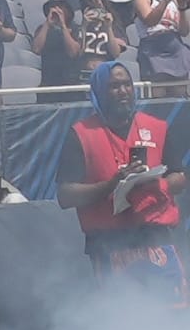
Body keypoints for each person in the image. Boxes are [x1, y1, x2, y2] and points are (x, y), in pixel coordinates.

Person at [57, 61, 190, 305]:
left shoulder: (157, 127)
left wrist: (156, 186)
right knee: (126, 317)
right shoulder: (81, 134)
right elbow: (65, 195)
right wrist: (111, 185)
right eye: (114, 86)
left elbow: (180, 177)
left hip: (157, 238)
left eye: (127, 84)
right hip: (111, 244)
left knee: (175, 312)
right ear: (99, 91)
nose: (123, 91)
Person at [131, 0, 190, 83]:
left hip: (175, 48)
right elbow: (150, 21)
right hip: (153, 50)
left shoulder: (174, 0)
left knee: (179, 90)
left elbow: (184, 31)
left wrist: (182, 7)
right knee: (158, 91)